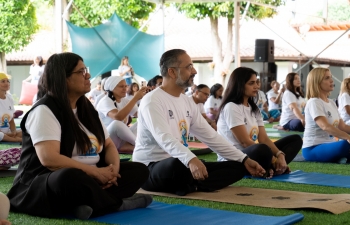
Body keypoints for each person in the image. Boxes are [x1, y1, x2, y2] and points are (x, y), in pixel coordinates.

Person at [7, 52, 152, 219]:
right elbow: (50, 159)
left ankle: (81, 206)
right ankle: (117, 204)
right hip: (45, 182)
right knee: (68, 177)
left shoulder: (87, 108)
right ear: (64, 77)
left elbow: (110, 145)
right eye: (81, 71)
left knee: (139, 170)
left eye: (86, 70)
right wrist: (95, 173)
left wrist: (112, 172)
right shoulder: (45, 110)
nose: (88, 75)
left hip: (91, 178)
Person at [133, 49, 265, 196]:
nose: (194, 71)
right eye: (189, 67)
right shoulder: (152, 100)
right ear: (172, 72)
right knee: (179, 165)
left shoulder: (187, 102)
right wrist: (190, 159)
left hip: (181, 162)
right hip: (152, 166)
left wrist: (244, 159)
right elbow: (164, 137)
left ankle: (189, 185)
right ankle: (190, 182)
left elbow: (211, 136)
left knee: (238, 167)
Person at [217, 67, 301, 177]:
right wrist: (273, 159)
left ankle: (271, 167)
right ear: (239, 85)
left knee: (295, 140)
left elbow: (264, 138)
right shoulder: (231, 107)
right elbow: (245, 142)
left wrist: (280, 155)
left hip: (253, 153)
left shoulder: (254, 108)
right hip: (235, 158)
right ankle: (269, 167)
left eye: (256, 82)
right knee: (262, 149)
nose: (256, 86)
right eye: (251, 83)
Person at [302, 67, 350, 163]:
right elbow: (325, 126)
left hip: (329, 145)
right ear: (317, 82)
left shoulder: (331, 103)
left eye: (330, 77)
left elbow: (343, 126)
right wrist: (348, 137)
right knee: (345, 144)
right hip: (313, 148)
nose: (332, 80)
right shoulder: (314, 102)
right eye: (327, 78)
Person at [96, 76, 147, 153]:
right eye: (121, 86)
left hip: (120, 139)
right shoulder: (105, 101)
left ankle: (126, 146)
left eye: (125, 86)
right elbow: (118, 117)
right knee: (117, 123)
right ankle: (140, 146)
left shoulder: (124, 100)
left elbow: (141, 115)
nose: (125, 88)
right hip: (107, 140)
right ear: (112, 88)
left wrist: (148, 99)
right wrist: (135, 98)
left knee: (144, 120)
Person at [0, 72, 22, 143]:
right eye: (3, 81)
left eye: (7, 81)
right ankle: (17, 139)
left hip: (8, 132)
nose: (7, 83)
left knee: (27, 130)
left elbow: (11, 119)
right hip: (1, 133)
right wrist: (6, 134)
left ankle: (11, 137)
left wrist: (14, 131)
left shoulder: (9, 98)